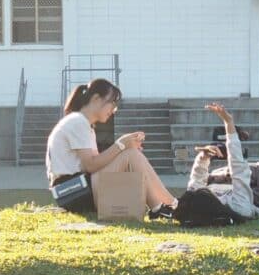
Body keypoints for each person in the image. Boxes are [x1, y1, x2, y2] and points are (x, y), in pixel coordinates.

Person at [45, 77, 177, 219]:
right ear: (96, 99)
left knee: (131, 154)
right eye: (112, 103)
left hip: (78, 188)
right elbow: (90, 165)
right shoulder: (78, 122)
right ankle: (167, 206)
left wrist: (125, 147)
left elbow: (96, 164)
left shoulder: (82, 123)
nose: (114, 109)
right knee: (131, 155)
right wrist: (120, 145)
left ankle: (168, 205)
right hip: (72, 191)